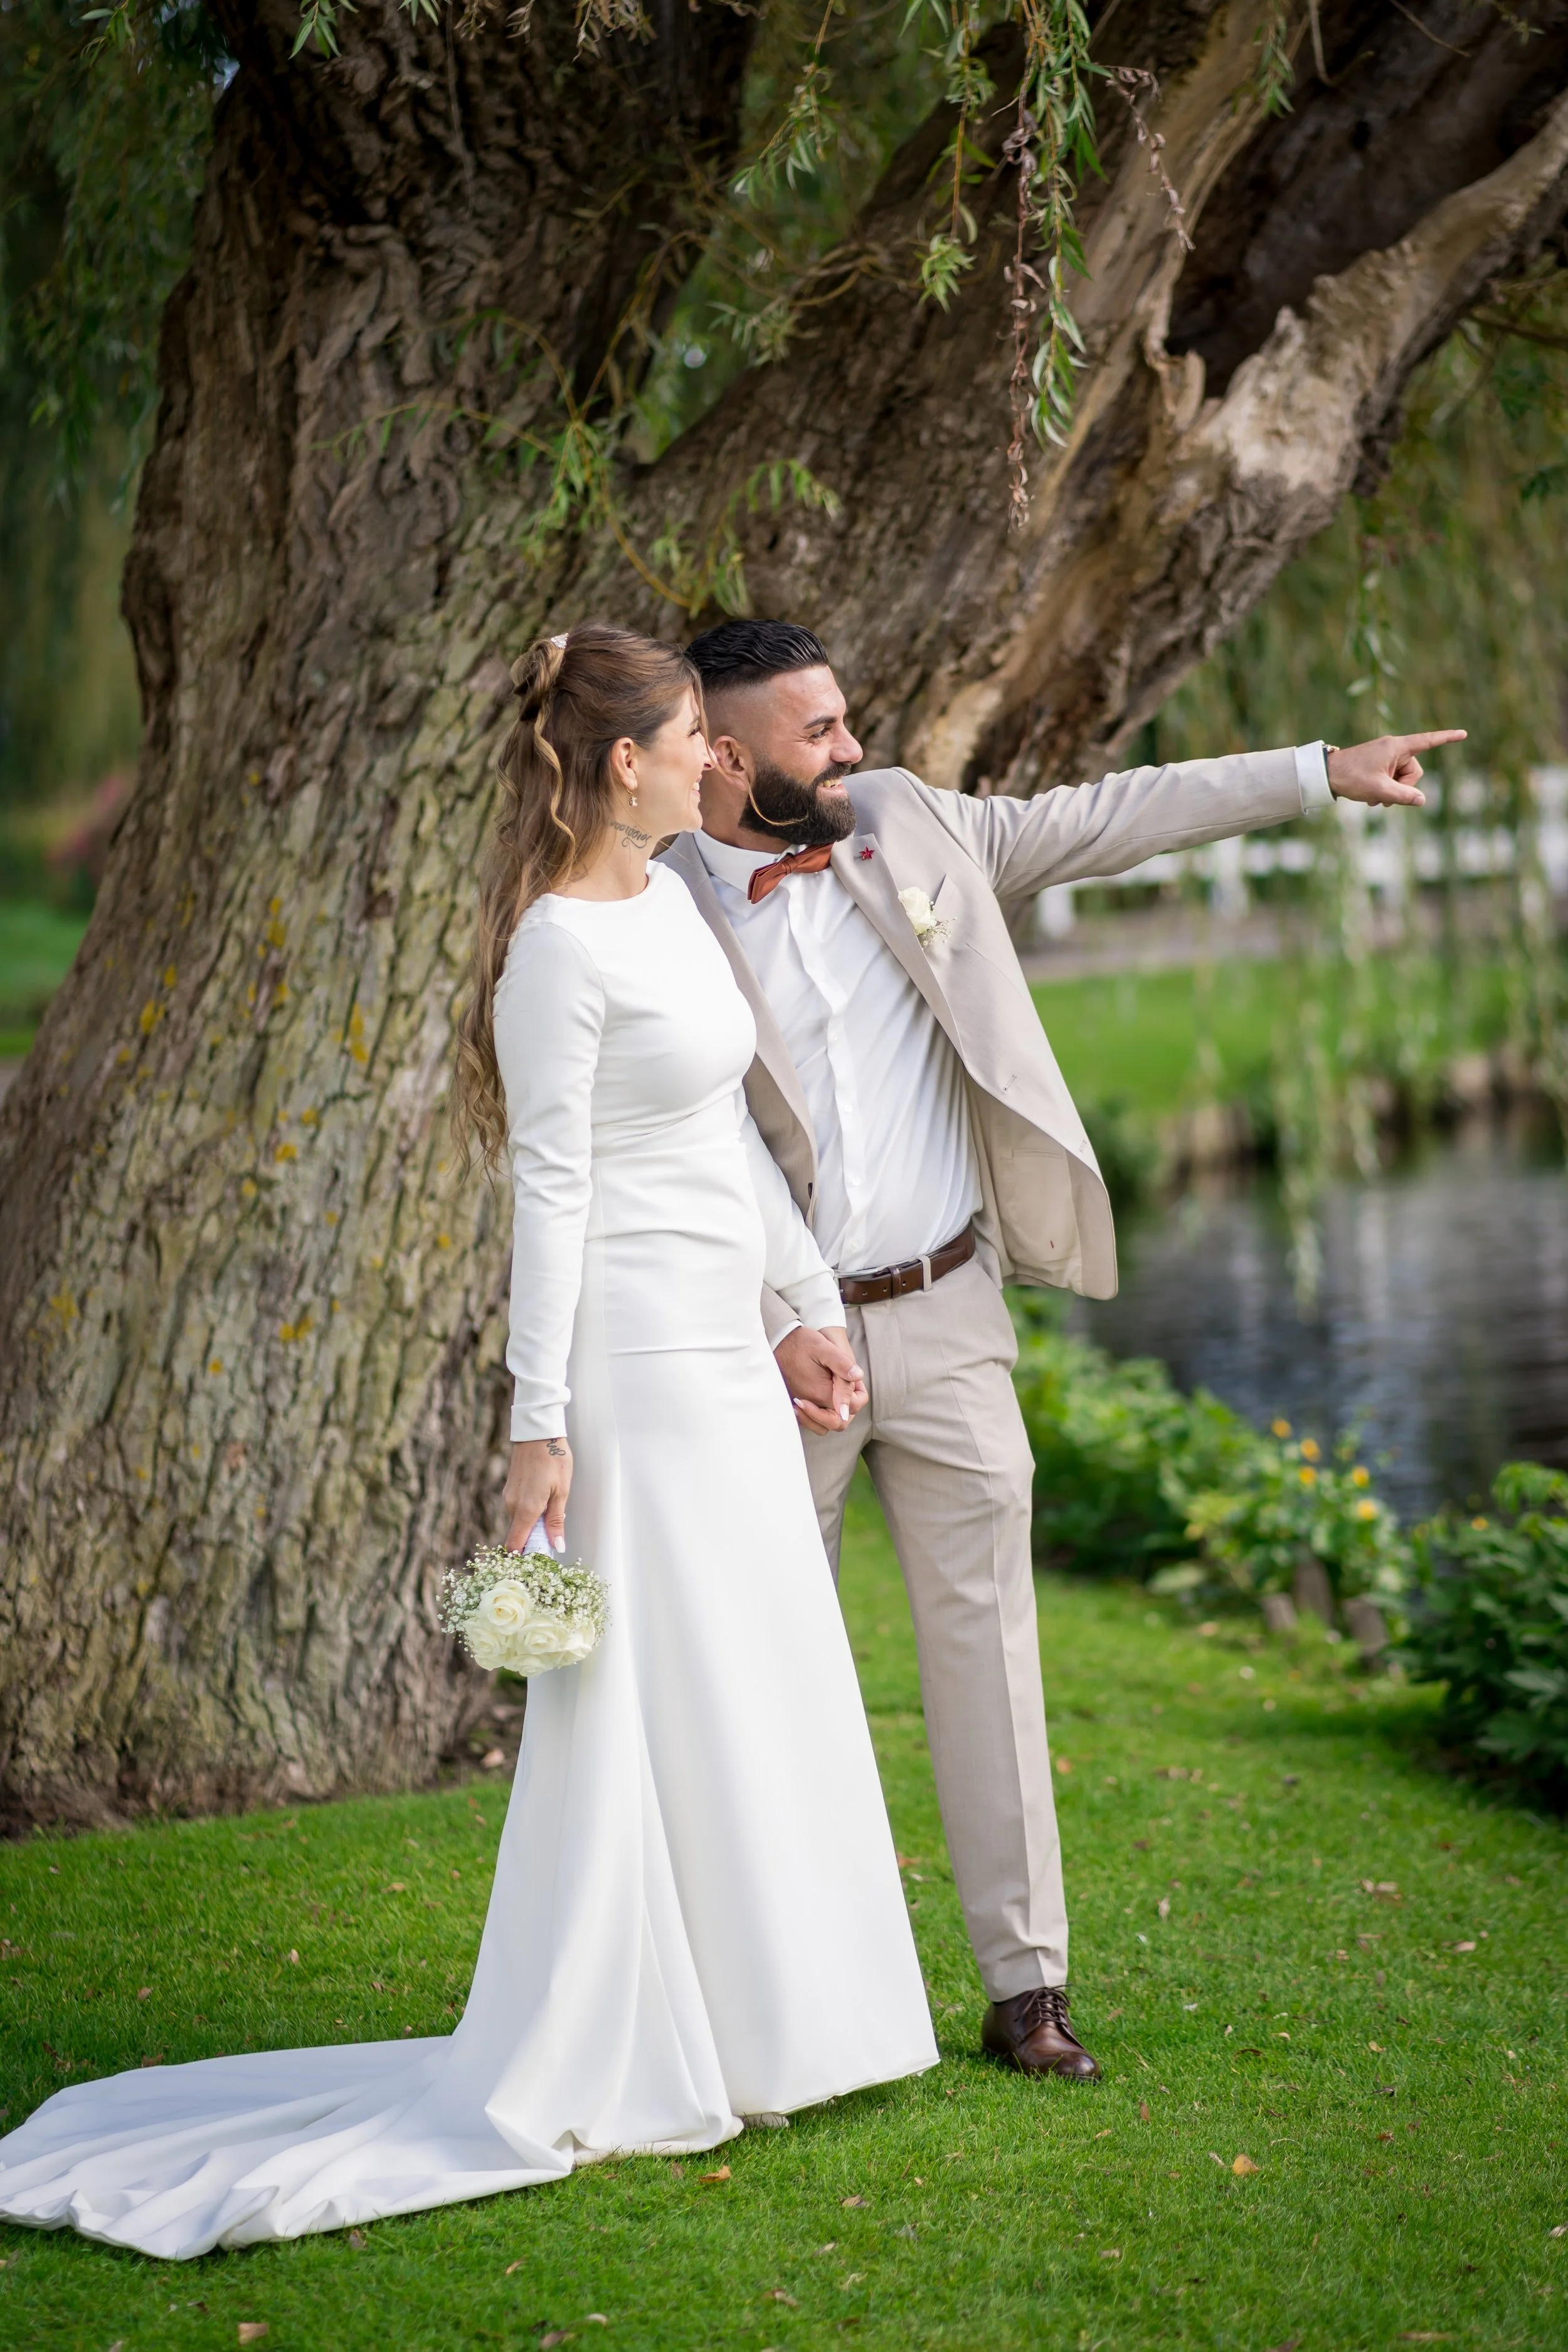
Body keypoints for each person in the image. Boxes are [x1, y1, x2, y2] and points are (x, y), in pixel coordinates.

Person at [0, 623, 937, 2260]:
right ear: (619, 760)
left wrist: (798, 1303)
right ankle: (629, 2036)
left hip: (725, 1349)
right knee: (651, 1695)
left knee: (759, 1669)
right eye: (683, 740)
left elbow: (725, 1125)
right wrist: (539, 1428)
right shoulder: (553, 954)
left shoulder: (670, 906)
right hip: (629, 1374)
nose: (715, 760)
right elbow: (550, 1196)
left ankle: (786, 2026)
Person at [664, 617, 1461, 2082]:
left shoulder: (903, 821)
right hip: (768, 1351)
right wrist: (776, 1321)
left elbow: (1097, 819)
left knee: (991, 1658)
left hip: (951, 1311)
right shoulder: (653, 910)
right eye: (817, 732)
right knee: (765, 1667)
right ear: (718, 757)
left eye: (847, 720)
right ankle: (770, 1985)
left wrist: (1315, 770)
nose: (852, 749)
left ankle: (1025, 1988)